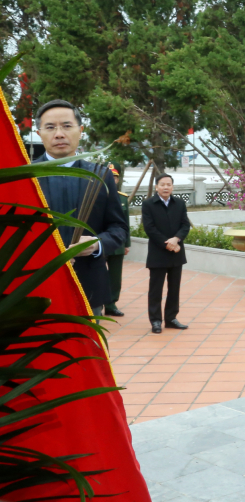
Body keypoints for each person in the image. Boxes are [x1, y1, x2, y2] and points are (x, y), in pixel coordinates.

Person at [34, 100, 128, 316]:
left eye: (67, 126)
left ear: (81, 131)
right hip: (36, 286)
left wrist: (97, 243)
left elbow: (118, 228)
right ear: (39, 133)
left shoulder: (100, 175)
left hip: (88, 286)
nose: (59, 134)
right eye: (50, 127)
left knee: (88, 348)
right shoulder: (26, 176)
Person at [141, 173, 191, 334]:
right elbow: (150, 229)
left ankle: (171, 318)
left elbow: (185, 225)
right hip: (158, 253)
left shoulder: (180, 203)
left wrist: (176, 239)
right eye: (162, 184)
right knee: (156, 289)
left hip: (176, 252)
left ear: (172, 187)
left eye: (168, 184)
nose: (165, 187)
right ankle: (156, 320)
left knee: (174, 288)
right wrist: (167, 244)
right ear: (157, 187)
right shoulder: (148, 204)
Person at [104, 163, 129, 317]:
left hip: (117, 243)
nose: (112, 179)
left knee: (115, 276)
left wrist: (127, 243)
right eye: (109, 176)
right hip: (99, 242)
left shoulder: (122, 198)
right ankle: (97, 302)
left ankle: (111, 304)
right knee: (98, 274)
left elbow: (125, 223)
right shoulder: (96, 194)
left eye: (114, 177)